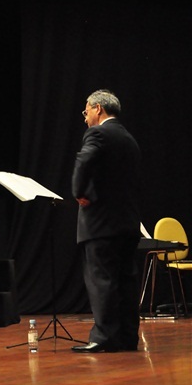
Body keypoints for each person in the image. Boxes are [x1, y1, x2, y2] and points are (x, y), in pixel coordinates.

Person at [71, 89, 141, 353]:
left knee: (102, 280)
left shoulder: (98, 133)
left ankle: (103, 337)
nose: (85, 115)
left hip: (101, 223)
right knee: (126, 281)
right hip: (127, 223)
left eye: (86, 109)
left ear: (98, 108)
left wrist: (79, 192)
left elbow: (84, 160)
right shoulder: (129, 138)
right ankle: (127, 337)